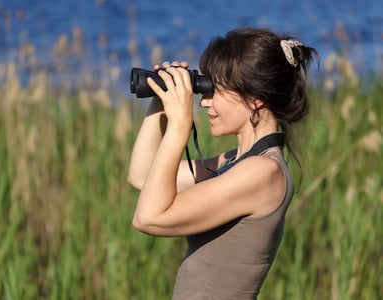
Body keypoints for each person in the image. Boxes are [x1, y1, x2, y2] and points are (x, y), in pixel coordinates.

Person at [127, 28, 317, 299]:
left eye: (215, 90)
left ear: (254, 99)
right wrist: (160, 98)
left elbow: (148, 218)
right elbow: (141, 176)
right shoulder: (234, 162)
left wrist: (180, 127)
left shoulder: (264, 172)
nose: (204, 101)